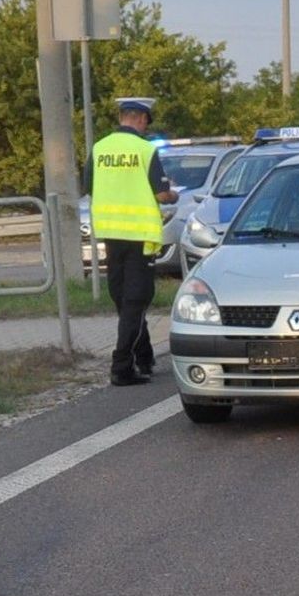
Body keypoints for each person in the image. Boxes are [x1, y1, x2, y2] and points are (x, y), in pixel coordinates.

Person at [82, 97, 178, 386]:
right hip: (141, 237)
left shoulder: (99, 149)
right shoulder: (145, 150)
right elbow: (162, 196)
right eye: (146, 121)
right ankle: (121, 365)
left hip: (111, 235)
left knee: (124, 300)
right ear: (138, 118)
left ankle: (144, 357)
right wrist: (174, 194)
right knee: (136, 301)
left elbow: (88, 187)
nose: (147, 127)